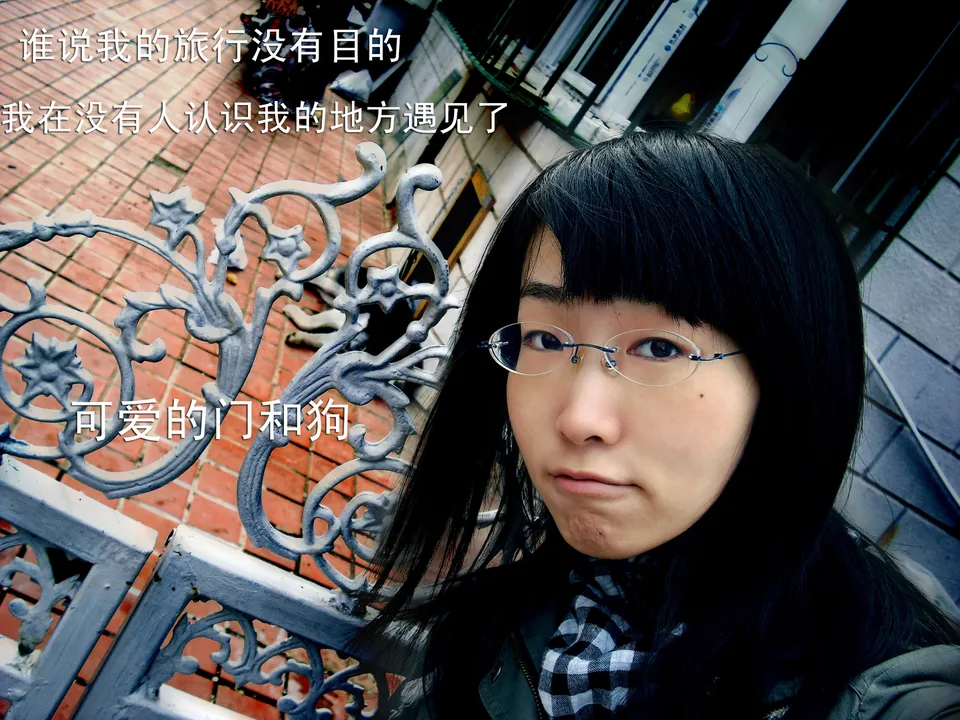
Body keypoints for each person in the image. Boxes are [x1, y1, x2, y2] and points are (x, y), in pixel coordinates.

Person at [348, 128, 960, 719]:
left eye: (660, 348)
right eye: (545, 338)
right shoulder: (517, 614)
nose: (579, 419)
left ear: (788, 382)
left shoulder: (890, 695)